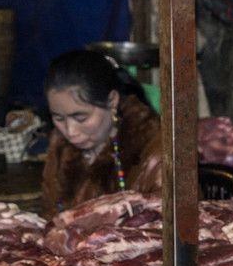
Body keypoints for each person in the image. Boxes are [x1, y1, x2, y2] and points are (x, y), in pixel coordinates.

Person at [40, 49, 163, 217]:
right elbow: (51, 218)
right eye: (59, 119)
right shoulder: (61, 149)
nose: (70, 131)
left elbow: (174, 227)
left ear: (112, 101)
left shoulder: (155, 152)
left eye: (81, 118)